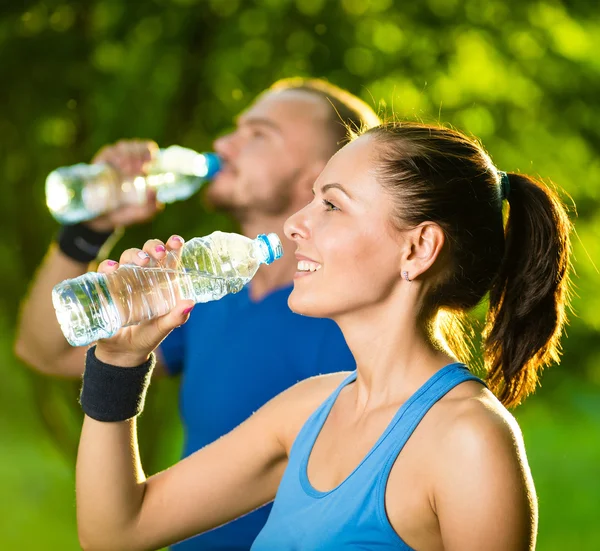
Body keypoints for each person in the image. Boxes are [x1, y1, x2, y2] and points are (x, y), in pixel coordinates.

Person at [75, 121, 572, 550]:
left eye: (331, 205)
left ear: (418, 249)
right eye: (311, 198)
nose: (294, 224)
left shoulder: (469, 441)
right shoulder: (305, 411)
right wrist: (118, 362)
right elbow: (116, 530)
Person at [15, 79, 381, 549]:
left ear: (322, 172)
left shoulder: (358, 322)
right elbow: (44, 350)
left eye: (258, 135)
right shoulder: (208, 292)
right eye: (235, 129)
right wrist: (89, 228)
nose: (223, 145)